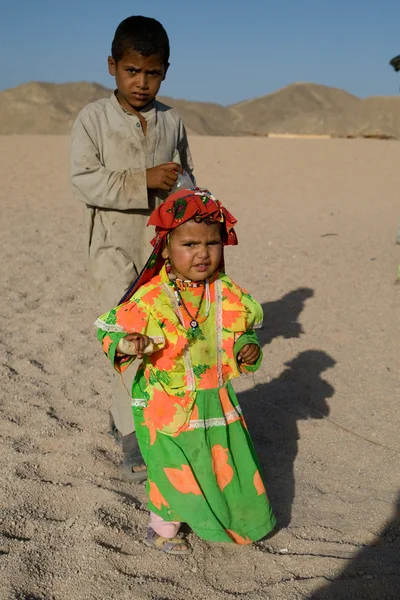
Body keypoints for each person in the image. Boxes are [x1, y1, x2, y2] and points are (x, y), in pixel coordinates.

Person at [96, 188, 276, 554]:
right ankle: (162, 529)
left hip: (215, 398)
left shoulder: (225, 293)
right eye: (190, 244)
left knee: (220, 462)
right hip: (164, 404)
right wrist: (130, 344)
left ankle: (233, 518)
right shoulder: (151, 297)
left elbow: (243, 332)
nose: (202, 253)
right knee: (172, 469)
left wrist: (245, 348)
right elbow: (109, 329)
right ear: (165, 248)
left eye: (212, 243)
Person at [70, 16, 195, 482]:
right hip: (110, 246)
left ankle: (126, 412)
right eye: (131, 71)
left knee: (158, 338)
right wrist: (141, 180)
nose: (141, 83)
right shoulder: (93, 120)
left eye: (152, 73)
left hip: (158, 252)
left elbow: (186, 180)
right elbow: (84, 180)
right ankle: (130, 434)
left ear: (165, 71)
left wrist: (191, 208)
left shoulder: (174, 120)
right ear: (112, 67)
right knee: (127, 338)